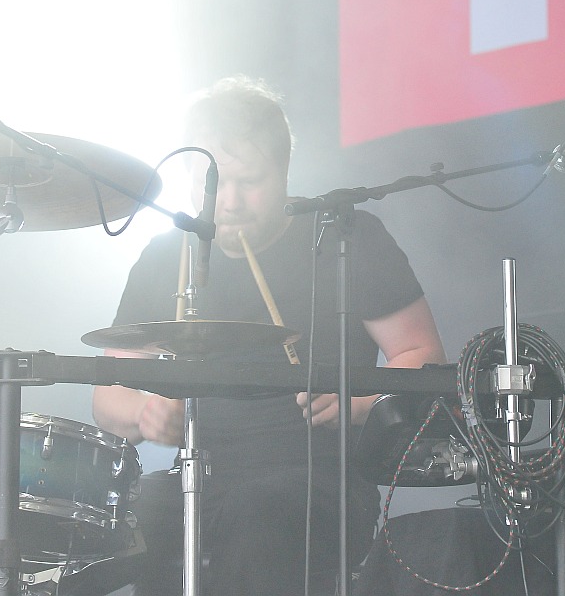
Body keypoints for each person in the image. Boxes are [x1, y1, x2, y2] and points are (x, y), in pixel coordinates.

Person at [92, 75, 446, 596]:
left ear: (283, 172)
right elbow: (108, 394)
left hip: (318, 478)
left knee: (259, 516)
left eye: (249, 181)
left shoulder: (344, 237)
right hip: (198, 471)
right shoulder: (166, 255)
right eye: (212, 183)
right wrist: (145, 412)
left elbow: (423, 354)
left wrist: (359, 400)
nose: (229, 201)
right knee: (121, 522)